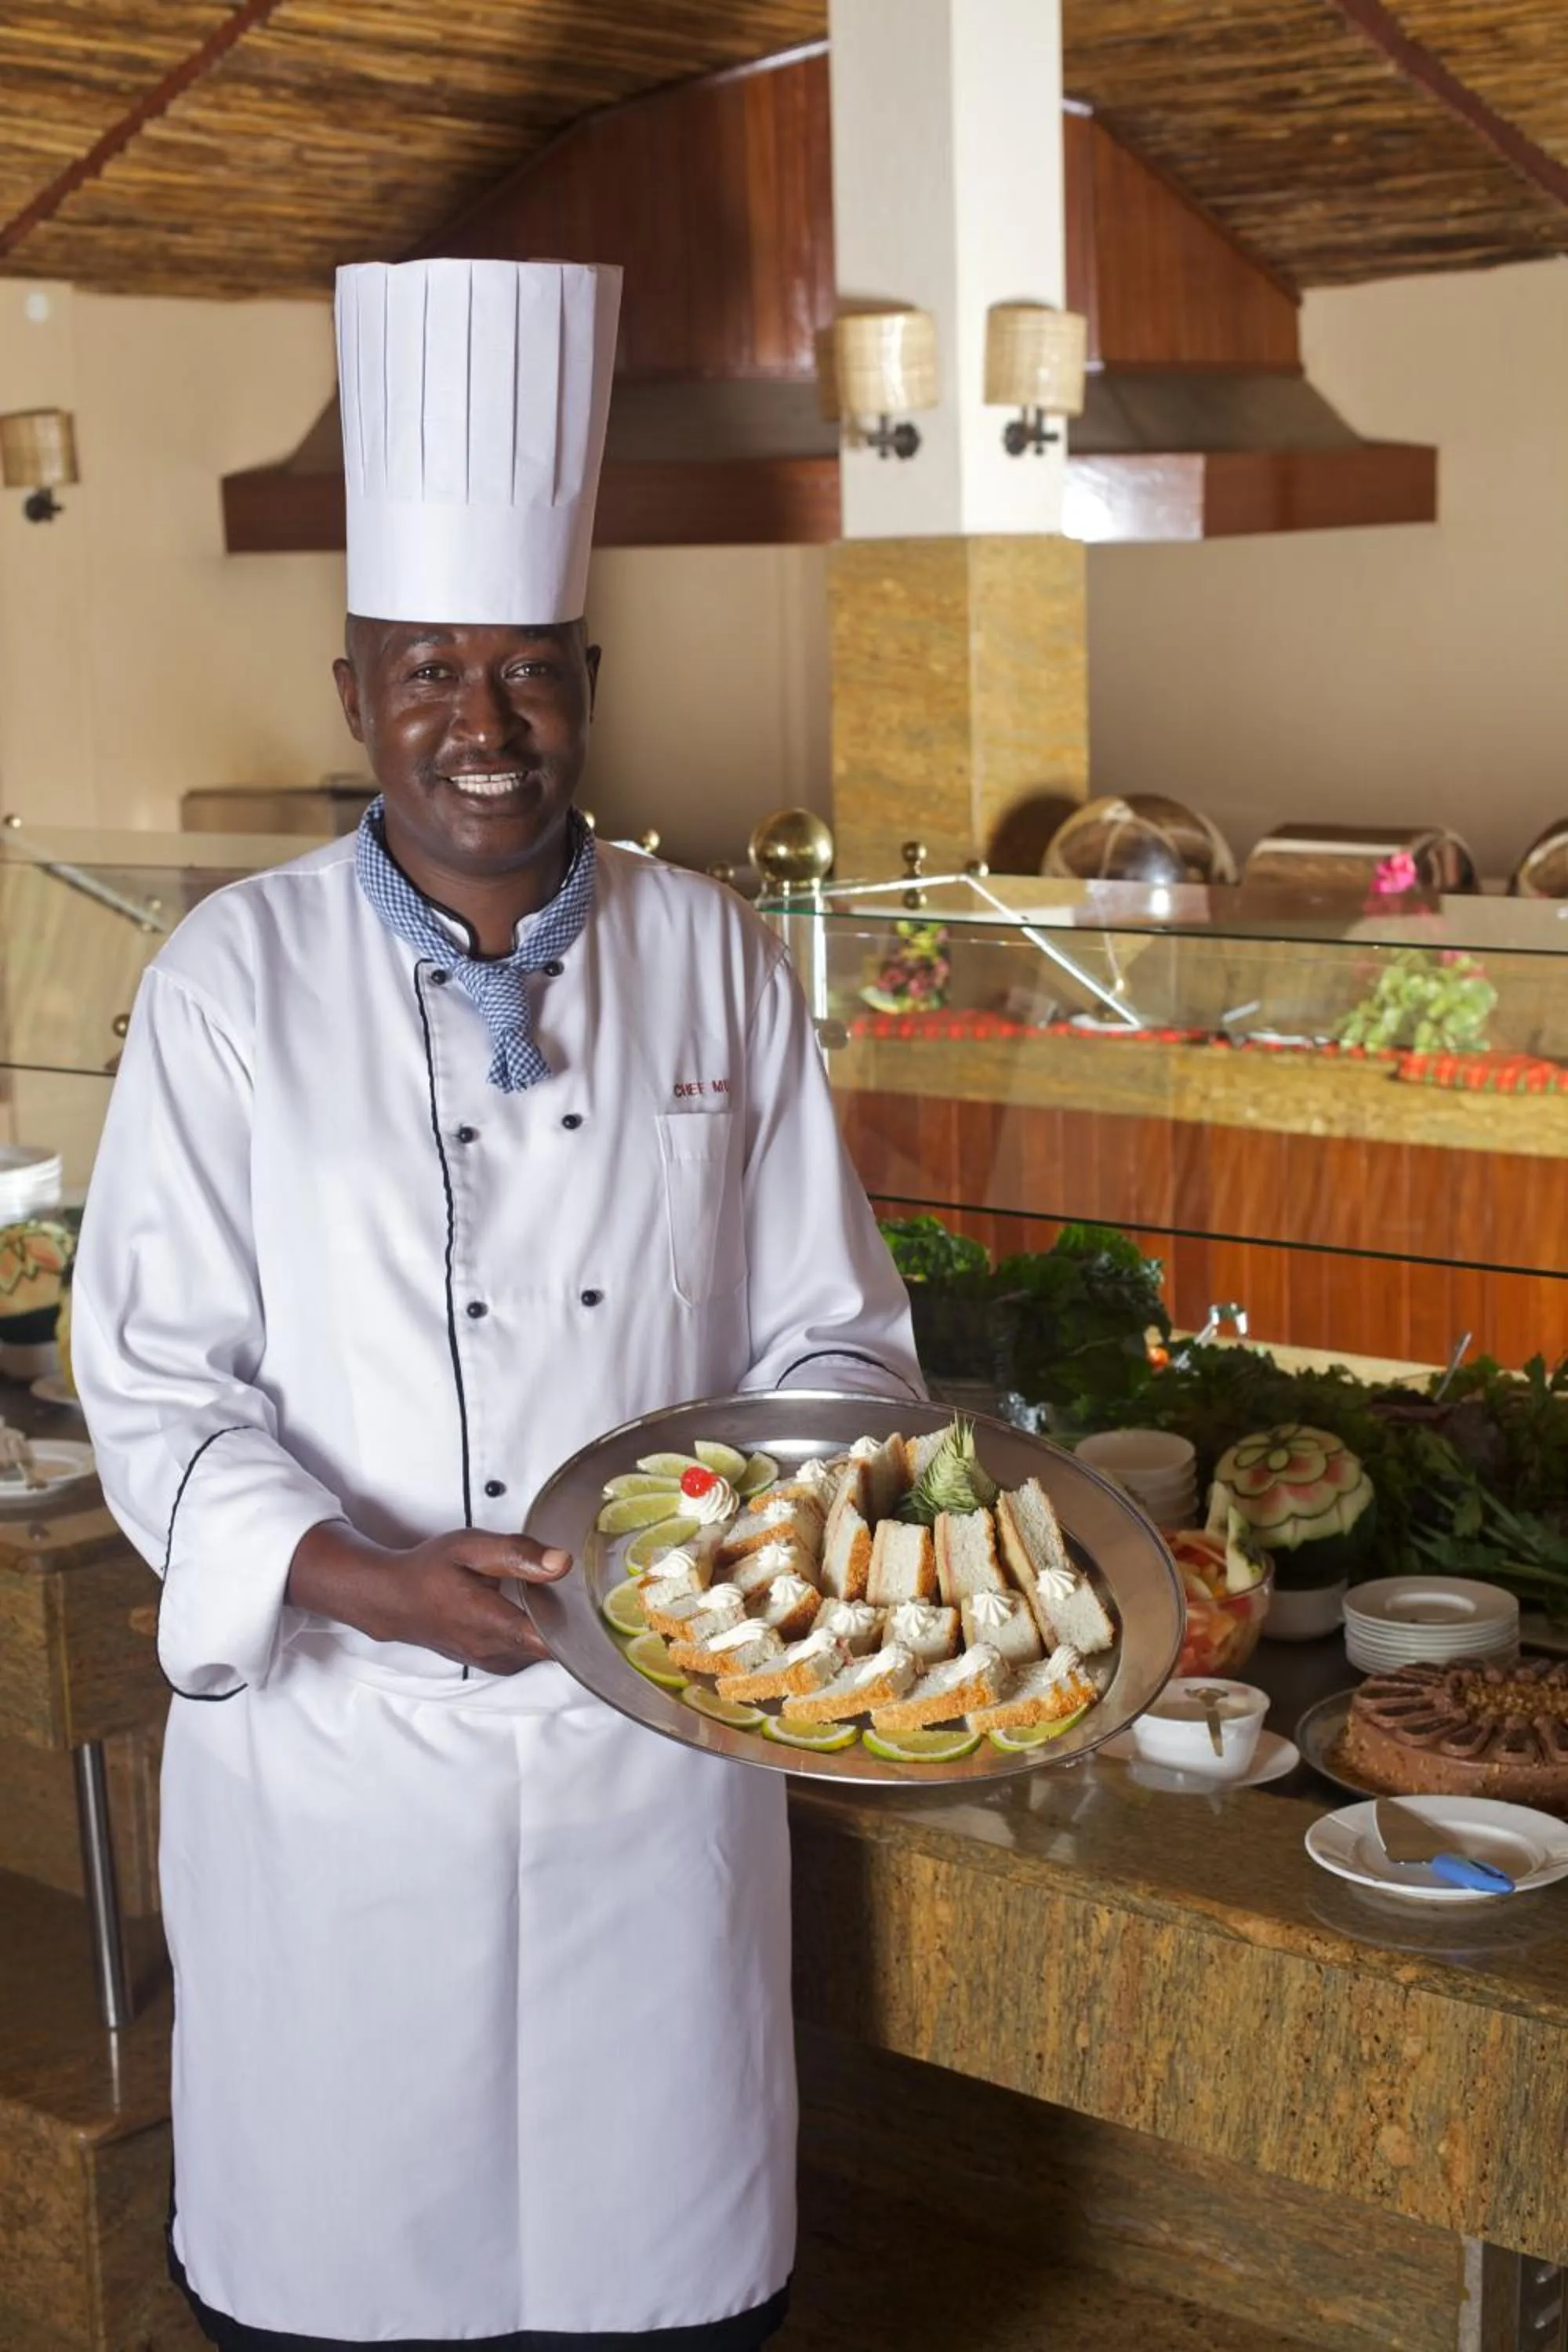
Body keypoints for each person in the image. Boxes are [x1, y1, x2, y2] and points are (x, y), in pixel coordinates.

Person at [72, 257, 920, 2352]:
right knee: (348, 2278)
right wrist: (360, 1581)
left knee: (668, 2282)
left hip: (655, 1771)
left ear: (591, 676)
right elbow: (158, 1387)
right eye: (431, 668)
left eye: (527, 668)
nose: (484, 720)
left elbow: (835, 1337)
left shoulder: (718, 957)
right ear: (355, 690)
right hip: (344, 1784)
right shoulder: (229, 985)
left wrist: (736, 1546)